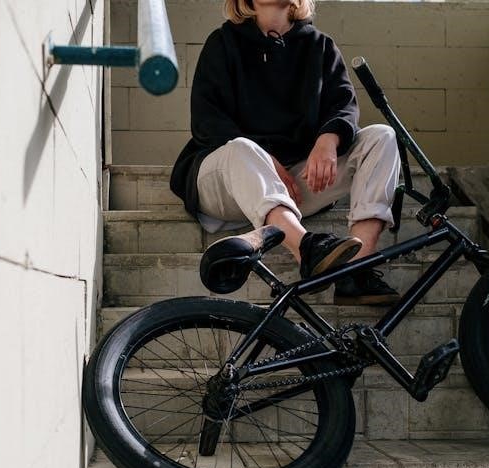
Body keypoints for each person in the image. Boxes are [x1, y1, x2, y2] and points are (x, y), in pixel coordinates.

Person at [170, 0, 402, 305]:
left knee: (382, 136)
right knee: (241, 148)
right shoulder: (223, 42)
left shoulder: (320, 46)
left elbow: (343, 105)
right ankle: (305, 248)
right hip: (224, 184)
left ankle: (357, 270)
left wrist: (329, 139)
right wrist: (265, 160)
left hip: (292, 185)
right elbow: (207, 121)